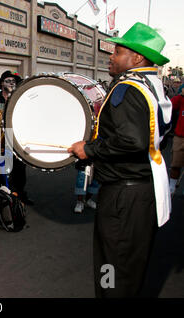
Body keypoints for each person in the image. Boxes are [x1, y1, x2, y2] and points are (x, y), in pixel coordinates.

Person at [67, 22, 172, 297]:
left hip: (123, 198)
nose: (111, 56)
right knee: (129, 268)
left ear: (136, 58)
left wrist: (88, 150)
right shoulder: (154, 87)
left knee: (110, 267)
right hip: (143, 191)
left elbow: (131, 141)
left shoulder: (127, 89)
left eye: (117, 51)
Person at [0, 70, 32, 205]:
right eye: (8, 80)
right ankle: (1, 199)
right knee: (0, 171)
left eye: (14, 81)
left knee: (20, 170)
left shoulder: (20, 99)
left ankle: (20, 196)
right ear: (2, 84)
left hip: (16, 140)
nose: (11, 83)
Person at [169, 91, 184, 195]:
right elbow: (170, 106)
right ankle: (171, 188)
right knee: (175, 165)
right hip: (180, 136)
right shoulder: (181, 99)